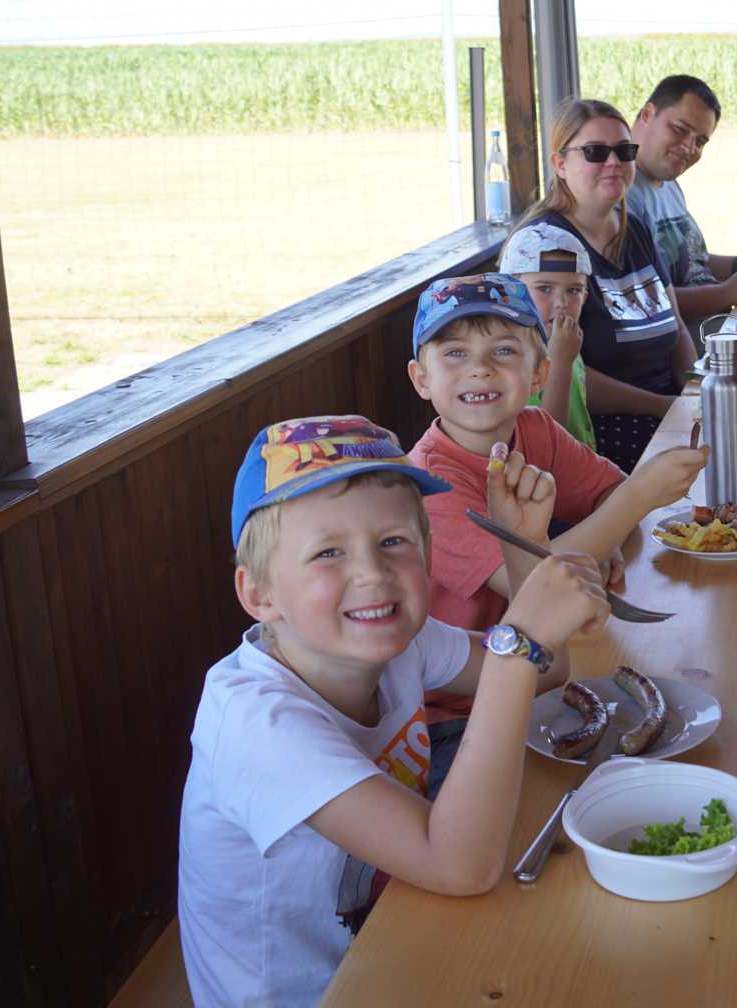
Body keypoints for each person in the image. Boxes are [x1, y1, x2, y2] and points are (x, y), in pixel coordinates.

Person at [178, 414, 610, 1005]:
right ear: (259, 594)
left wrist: (519, 547)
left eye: (393, 543)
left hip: (398, 934)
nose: (372, 575)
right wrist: (518, 646)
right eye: (328, 552)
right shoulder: (256, 724)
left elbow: (549, 671)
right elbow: (460, 866)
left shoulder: (400, 640)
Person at [403, 273, 706, 795]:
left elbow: (605, 493)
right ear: (421, 378)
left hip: (547, 673)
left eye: (503, 350)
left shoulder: (535, 429)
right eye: (454, 353)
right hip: (458, 714)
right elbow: (538, 584)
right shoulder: (430, 486)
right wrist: (637, 500)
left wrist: (602, 537)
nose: (480, 367)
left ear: (539, 372)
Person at [511, 98, 695, 472]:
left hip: (669, 415)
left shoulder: (635, 229)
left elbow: (676, 326)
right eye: (595, 152)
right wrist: (664, 408)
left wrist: (696, 391)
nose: (613, 162)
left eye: (624, 151)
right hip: (608, 435)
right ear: (560, 163)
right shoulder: (544, 249)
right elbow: (558, 374)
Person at [624, 75, 737, 327]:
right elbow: (645, 301)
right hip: (694, 339)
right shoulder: (621, 192)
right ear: (647, 114)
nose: (689, 147)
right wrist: (727, 292)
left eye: (700, 141)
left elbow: (689, 259)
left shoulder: (668, 182)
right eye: (679, 130)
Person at [499, 222, 596, 450]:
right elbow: (548, 442)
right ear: (511, 293)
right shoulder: (512, 358)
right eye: (544, 288)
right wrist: (560, 361)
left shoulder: (563, 339)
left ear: (585, 297)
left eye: (574, 290)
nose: (562, 303)